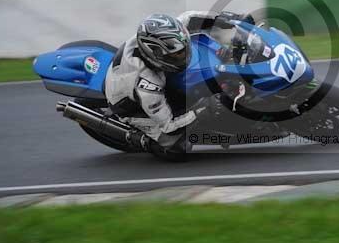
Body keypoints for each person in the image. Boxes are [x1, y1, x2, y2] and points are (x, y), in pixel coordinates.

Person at [104, 11, 253, 157]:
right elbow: (169, 125)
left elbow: (191, 17)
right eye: (176, 56)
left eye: (183, 51)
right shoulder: (147, 82)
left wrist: (233, 19)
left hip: (139, 72)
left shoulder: (169, 33)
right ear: (156, 56)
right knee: (177, 146)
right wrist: (203, 108)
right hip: (127, 103)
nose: (184, 56)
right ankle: (145, 141)